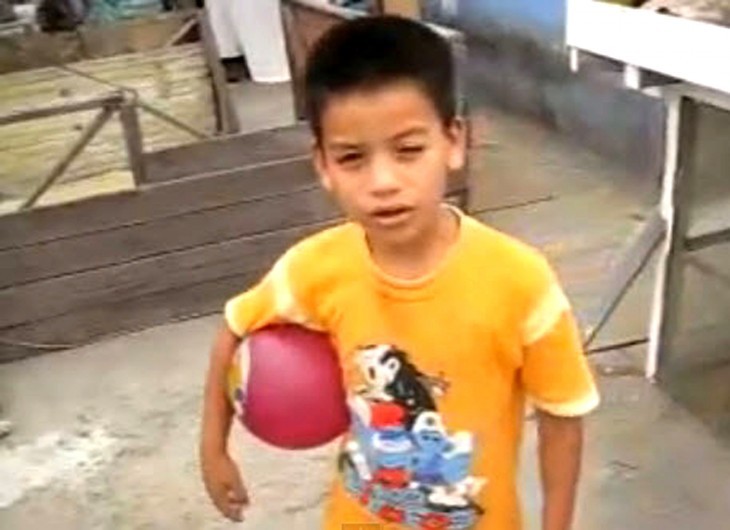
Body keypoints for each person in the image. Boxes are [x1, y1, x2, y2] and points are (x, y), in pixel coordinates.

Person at [200, 15, 600, 530]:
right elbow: (234, 327)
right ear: (322, 165)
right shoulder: (315, 267)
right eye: (352, 158)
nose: (383, 182)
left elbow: (562, 416)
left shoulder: (521, 282)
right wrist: (214, 448)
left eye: (409, 150)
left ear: (455, 141)